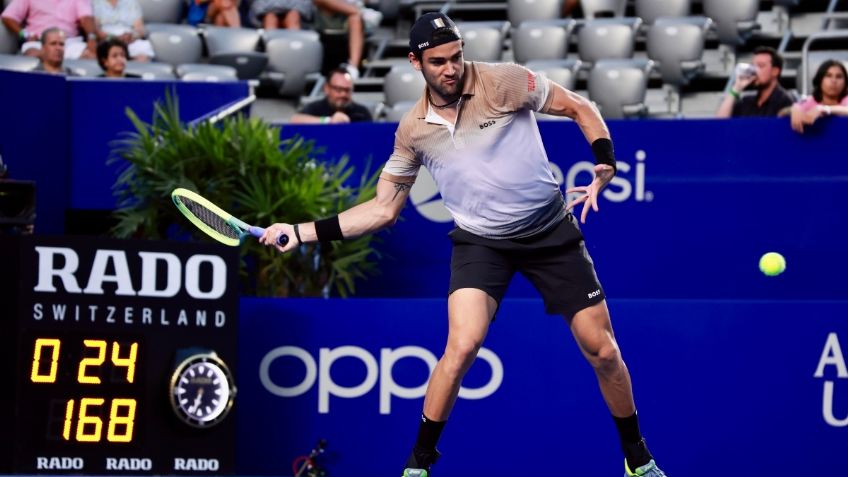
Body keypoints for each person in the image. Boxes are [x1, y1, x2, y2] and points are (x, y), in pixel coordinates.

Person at [260, 12, 667, 477]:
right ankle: (418, 464)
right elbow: (381, 210)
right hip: (482, 243)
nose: (451, 69)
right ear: (416, 63)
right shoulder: (412, 130)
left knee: (604, 351)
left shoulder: (504, 82)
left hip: (549, 231)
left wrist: (605, 161)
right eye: (438, 62)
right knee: (462, 345)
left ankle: (637, 457)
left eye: (456, 57)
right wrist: (301, 231)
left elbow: (578, 105)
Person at [1, 0, 97, 59]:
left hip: (69, 42)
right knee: (31, 55)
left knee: (91, 56)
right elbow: (8, 17)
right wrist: (25, 34)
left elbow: (86, 18)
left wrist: (91, 37)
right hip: (39, 41)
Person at [716, 46, 793, 118]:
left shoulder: (785, 100)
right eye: (753, 66)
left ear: (775, 71)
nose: (754, 71)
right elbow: (720, 125)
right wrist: (736, 88)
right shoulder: (746, 102)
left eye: (760, 66)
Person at [290, 67, 372, 124]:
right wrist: (328, 121)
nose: (343, 94)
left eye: (347, 90)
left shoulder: (361, 112)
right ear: (327, 88)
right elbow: (296, 120)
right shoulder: (315, 108)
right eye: (338, 90)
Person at [787, 59, 848, 133]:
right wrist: (794, 109)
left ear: (845, 82)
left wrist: (825, 109)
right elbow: (780, 113)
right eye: (828, 76)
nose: (834, 81)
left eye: (839, 77)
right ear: (819, 80)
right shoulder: (812, 100)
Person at [311, 0, 364, 78]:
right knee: (355, 15)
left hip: (347, 28)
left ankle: (353, 68)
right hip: (323, 32)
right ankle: (353, 68)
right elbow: (354, 11)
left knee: (356, 17)